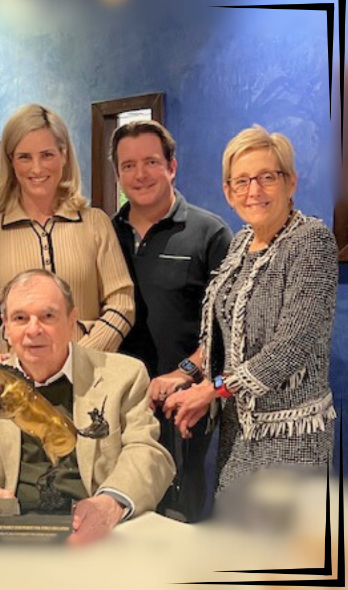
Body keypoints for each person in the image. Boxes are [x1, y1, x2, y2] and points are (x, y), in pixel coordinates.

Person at [0, 270, 175, 545]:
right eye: (20, 318)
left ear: (72, 320)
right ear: (6, 328)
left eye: (48, 316)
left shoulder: (123, 376)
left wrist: (110, 503)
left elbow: (147, 452)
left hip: (93, 536)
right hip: (9, 539)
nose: (33, 330)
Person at [160, 125, 337, 493]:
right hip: (238, 433)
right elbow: (222, 334)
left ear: (290, 183)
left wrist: (213, 390)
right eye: (241, 181)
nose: (253, 191)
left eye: (266, 177)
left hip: (292, 437)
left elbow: (292, 347)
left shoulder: (311, 241)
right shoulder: (240, 243)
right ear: (227, 192)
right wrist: (188, 373)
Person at [111, 120, 233, 523]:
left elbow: (228, 326)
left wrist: (183, 373)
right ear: (118, 174)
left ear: (172, 166)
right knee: (124, 508)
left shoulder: (208, 232)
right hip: (120, 401)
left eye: (150, 161)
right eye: (128, 165)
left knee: (183, 512)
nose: (140, 174)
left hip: (186, 402)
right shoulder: (105, 233)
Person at [0, 104, 134, 363]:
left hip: (90, 378)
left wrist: (79, 359)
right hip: (16, 385)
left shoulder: (95, 223)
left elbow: (122, 303)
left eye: (47, 155)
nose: (37, 168)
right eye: (24, 157)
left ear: (64, 155)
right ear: (10, 161)